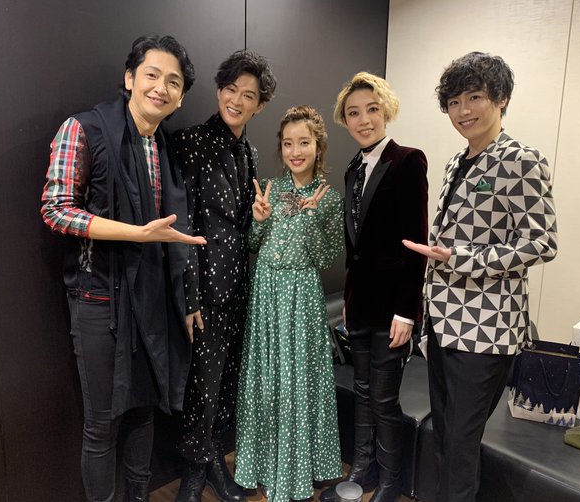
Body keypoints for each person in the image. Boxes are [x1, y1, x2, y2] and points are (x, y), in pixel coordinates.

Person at [40, 35, 205, 502]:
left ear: (181, 97)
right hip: (98, 299)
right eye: (152, 75)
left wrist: (187, 300)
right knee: (101, 424)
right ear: (130, 78)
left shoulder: (165, 148)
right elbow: (56, 209)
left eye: (173, 82)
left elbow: (177, 233)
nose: (161, 88)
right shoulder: (83, 128)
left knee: (144, 410)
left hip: (152, 298)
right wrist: (136, 234)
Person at [403, 51, 558, 502]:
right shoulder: (457, 162)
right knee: (445, 436)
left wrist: (460, 257)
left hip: (486, 330)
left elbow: (542, 242)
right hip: (443, 324)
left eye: (474, 97)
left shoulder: (521, 160)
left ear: (501, 98)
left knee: (460, 443)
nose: (463, 110)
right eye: (453, 102)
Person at [172, 50, 276, 502]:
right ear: (218, 91)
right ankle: (194, 474)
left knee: (228, 385)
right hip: (206, 292)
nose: (236, 100)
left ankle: (216, 461)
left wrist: (261, 219)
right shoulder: (190, 142)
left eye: (248, 95)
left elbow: (244, 229)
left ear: (260, 105)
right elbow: (183, 225)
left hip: (240, 290)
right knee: (202, 388)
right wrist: (191, 298)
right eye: (230, 89)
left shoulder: (250, 152)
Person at [320, 72, 429, 502]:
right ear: (344, 120)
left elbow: (415, 245)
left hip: (392, 309)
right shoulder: (352, 168)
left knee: (383, 399)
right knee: (363, 394)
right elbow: (355, 249)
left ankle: (390, 480)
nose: (363, 120)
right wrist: (348, 299)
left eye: (371, 109)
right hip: (360, 306)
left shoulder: (408, 161)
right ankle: (363, 470)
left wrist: (407, 312)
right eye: (353, 113)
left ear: (386, 111)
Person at [234, 105, 344, 502]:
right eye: (288, 144)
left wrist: (312, 218)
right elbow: (252, 244)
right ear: (280, 148)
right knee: (265, 380)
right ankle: (260, 465)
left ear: (318, 146)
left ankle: (299, 469)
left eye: (304, 143)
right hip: (266, 292)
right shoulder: (270, 188)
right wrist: (258, 219)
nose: (296, 151)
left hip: (301, 297)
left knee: (297, 381)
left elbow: (327, 257)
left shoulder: (329, 199)